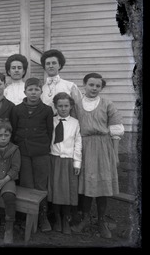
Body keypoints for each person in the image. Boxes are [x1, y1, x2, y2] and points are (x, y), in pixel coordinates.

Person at [71, 73, 124, 239]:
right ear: (84, 85)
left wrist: (115, 155)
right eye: (91, 85)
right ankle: (85, 219)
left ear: (101, 88)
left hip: (103, 147)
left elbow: (115, 131)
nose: (94, 88)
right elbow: (73, 128)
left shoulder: (107, 104)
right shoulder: (77, 105)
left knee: (102, 187)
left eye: (97, 86)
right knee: (86, 186)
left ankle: (101, 221)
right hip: (84, 147)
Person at [10, 77, 54, 232]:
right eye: (30, 89)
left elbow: (49, 131)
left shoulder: (47, 110)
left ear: (41, 92)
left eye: (36, 89)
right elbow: (14, 130)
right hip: (23, 152)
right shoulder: (17, 109)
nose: (33, 92)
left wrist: (43, 147)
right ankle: (26, 216)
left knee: (41, 186)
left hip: (41, 152)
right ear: (25, 91)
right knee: (26, 185)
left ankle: (42, 217)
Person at [48, 92, 82, 235]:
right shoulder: (50, 121)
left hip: (68, 161)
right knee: (55, 190)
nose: (63, 108)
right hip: (54, 159)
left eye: (66, 106)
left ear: (71, 106)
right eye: (60, 106)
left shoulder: (75, 123)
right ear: (55, 107)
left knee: (68, 191)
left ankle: (66, 219)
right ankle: (57, 219)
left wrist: (77, 163)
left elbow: (78, 143)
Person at [40, 49, 82, 114]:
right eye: (48, 64)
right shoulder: (41, 88)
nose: (51, 66)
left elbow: (79, 107)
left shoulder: (70, 86)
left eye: (54, 63)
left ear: (59, 65)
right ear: (44, 67)